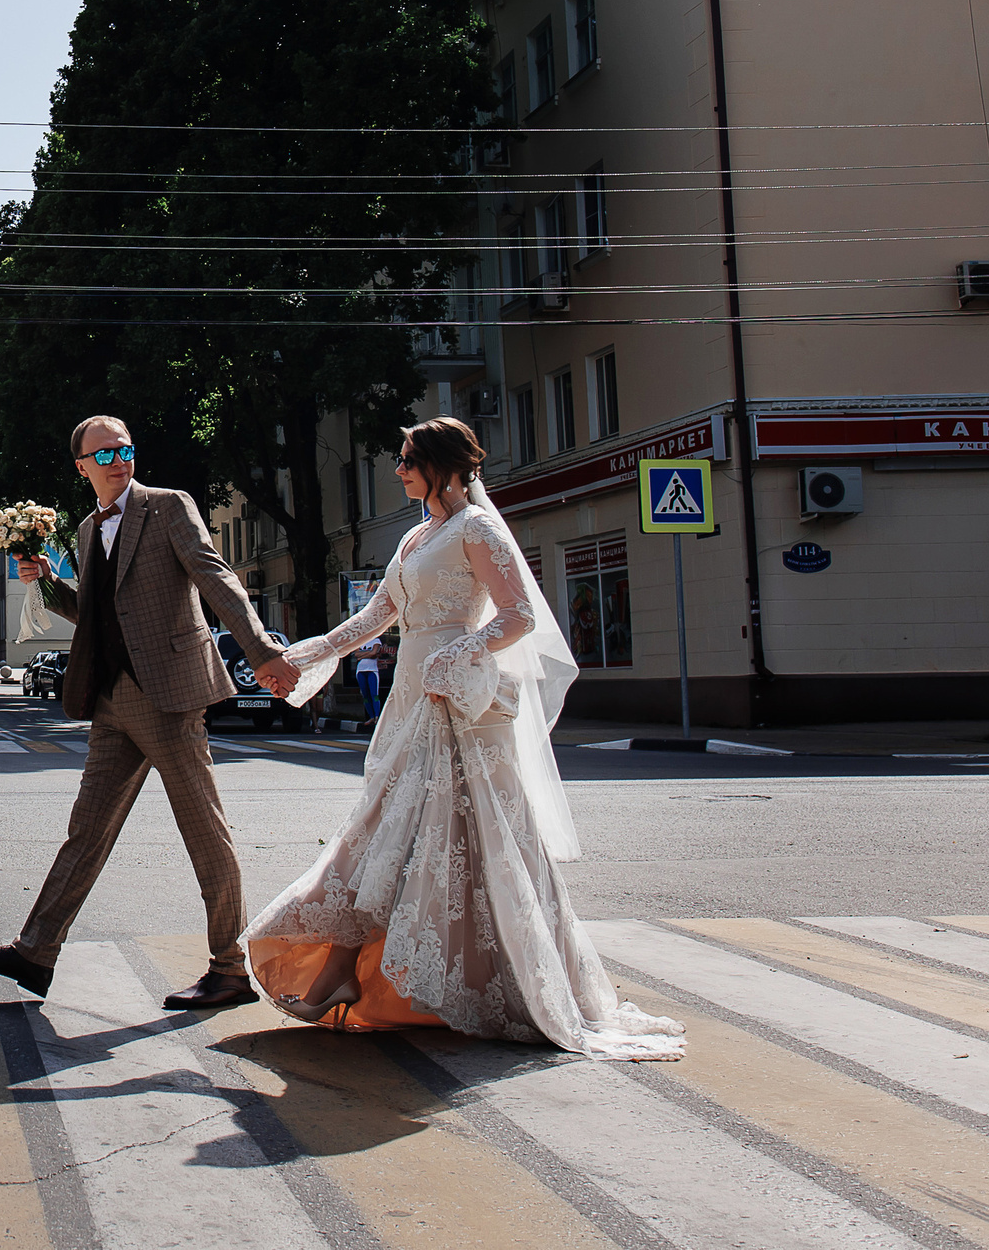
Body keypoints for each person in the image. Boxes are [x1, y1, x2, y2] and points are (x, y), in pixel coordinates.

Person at [244, 418, 684, 1061]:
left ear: (444, 467)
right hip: (410, 706)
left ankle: (418, 973)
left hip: (458, 704)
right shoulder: (418, 535)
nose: (397, 470)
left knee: (453, 838)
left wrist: (464, 651)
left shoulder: (475, 529)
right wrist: (311, 653)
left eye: (406, 460)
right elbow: (378, 615)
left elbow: (519, 616)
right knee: (388, 832)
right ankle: (349, 968)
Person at [0, 414, 292, 1011]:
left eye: (124, 450)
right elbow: (93, 609)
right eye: (104, 454)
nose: (118, 460)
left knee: (204, 830)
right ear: (82, 467)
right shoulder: (88, 530)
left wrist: (261, 647)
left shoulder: (168, 506)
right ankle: (35, 953)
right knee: (85, 832)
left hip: (168, 694)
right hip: (112, 699)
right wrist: (44, 583)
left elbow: (215, 578)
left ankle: (230, 968)